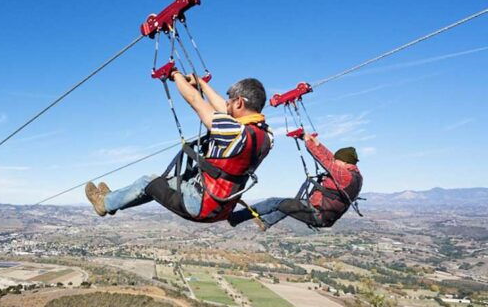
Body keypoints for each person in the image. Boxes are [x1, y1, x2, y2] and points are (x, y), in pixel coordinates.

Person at [85, 71, 272, 225]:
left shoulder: (233, 130)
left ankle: (105, 203)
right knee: (159, 184)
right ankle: (113, 201)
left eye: (230, 101)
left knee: (147, 182)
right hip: (223, 205)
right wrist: (201, 83)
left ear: (239, 102)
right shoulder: (266, 137)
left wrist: (174, 75)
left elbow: (195, 100)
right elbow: (224, 110)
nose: (226, 105)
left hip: (201, 203)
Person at [227, 133, 363, 230]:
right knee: (286, 205)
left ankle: (235, 218)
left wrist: (307, 142)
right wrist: (318, 144)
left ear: (345, 162)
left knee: (274, 202)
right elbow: (331, 158)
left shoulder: (344, 175)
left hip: (317, 213)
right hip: (322, 212)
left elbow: (325, 160)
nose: (334, 161)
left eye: (337, 160)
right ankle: (266, 222)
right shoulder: (355, 176)